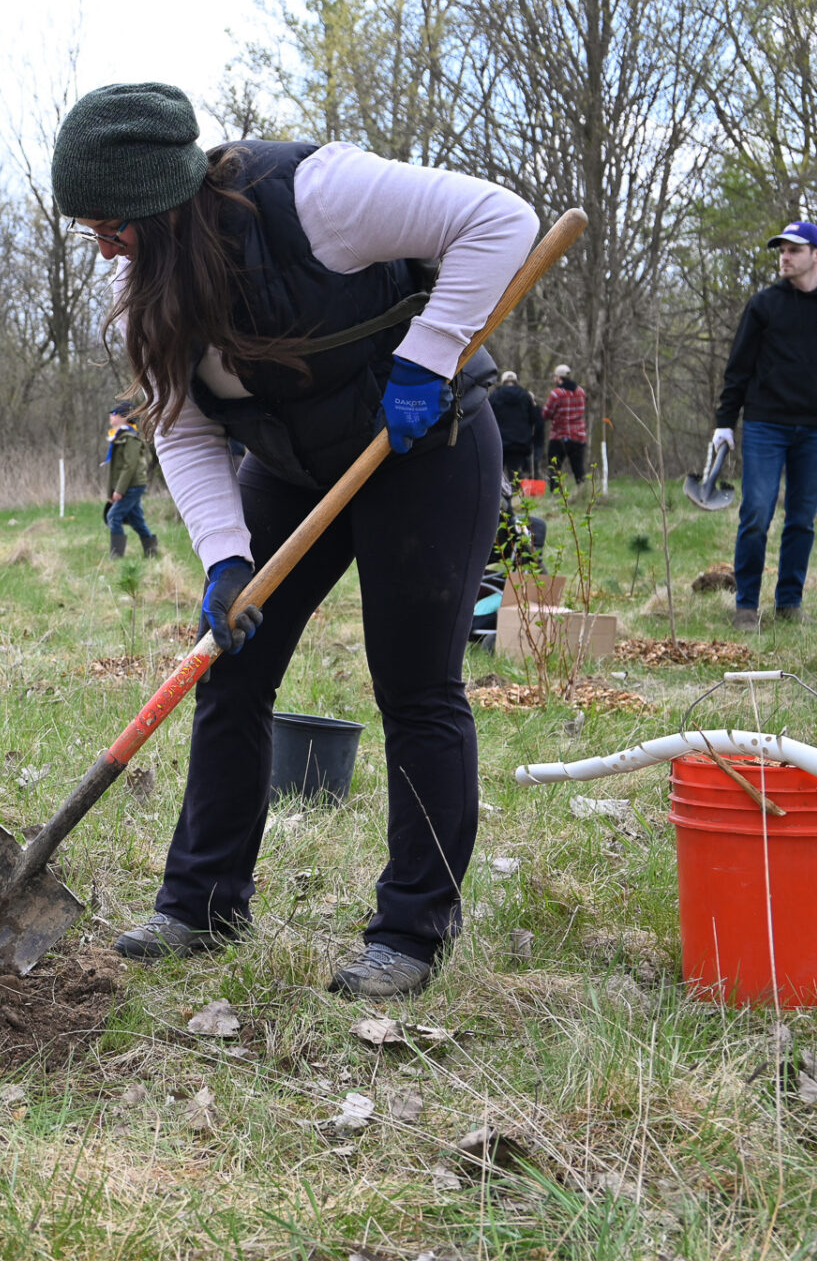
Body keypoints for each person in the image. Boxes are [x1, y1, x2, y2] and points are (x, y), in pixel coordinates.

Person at [53, 82, 535, 997]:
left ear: (160, 200)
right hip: (289, 464)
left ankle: (410, 932)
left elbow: (501, 220)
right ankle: (199, 905)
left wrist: (428, 356)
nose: (104, 248)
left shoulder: (315, 196)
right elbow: (184, 429)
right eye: (92, 230)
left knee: (416, 683)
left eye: (111, 225)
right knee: (230, 662)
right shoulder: (146, 284)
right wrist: (226, 556)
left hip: (420, 442)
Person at [717, 219, 817, 631]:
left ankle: (789, 602)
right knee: (757, 514)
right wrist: (724, 423)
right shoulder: (764, 304)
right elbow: (738, 368)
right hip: (766, 424)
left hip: (816, 429)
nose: (785, 256)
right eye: (781, 249)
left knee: (802, 518)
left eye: (794, 249)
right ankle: (746, 604)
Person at [104, 402, 159, 558]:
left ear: (123, 417)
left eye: (114, 413)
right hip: (128, 485)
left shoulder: (130, 438)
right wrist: (111, 492)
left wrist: (119, 490)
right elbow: (116, 469)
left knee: (113, 517)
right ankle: (152, 553)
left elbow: (130, 466)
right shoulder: (118, 436)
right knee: (137, 521)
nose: (111, 416)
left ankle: (116, 557)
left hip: (133, 485)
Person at [488, 369, 544, 483]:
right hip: (520, 444)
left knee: (496, 477)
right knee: (516, 476)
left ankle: (500, 500)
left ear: (502, 381)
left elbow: (488, 419)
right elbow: (536, 419)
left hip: (499, 443)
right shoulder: (526, 396)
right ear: (516, 381)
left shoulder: (494, 396)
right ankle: (516, 499)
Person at [543, 364, 587, 491]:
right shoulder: (581, 391)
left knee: (555, 468)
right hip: (578, 436)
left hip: (559, 436)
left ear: (558, 378)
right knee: (578, 468)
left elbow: (546, 413)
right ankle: (582, 491)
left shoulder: (556, 394)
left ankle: (555, 494)